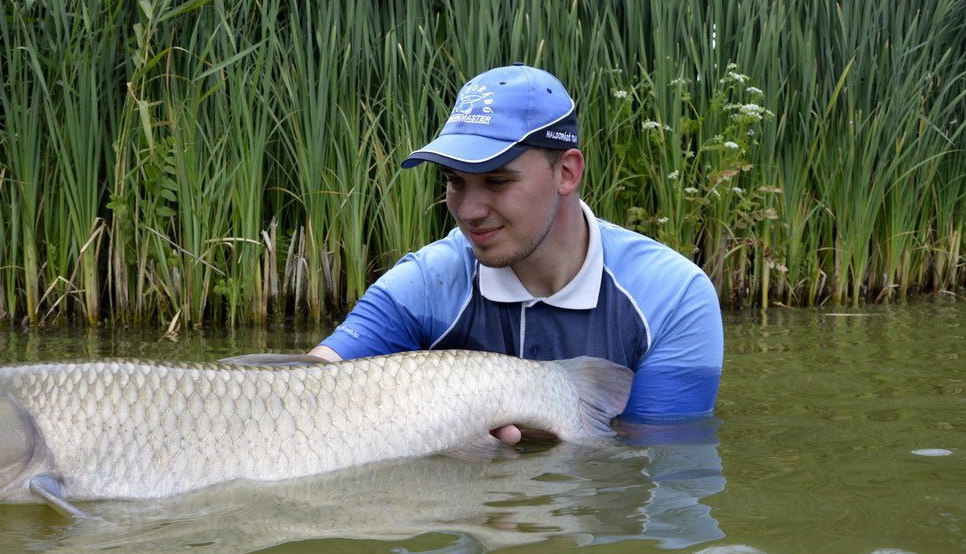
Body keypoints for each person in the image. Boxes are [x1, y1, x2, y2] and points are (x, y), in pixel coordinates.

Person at [308, 64, 723, 440]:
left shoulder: (674, 297)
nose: (468, 211)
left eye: (497, 181)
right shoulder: (425, 281)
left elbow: (662, 471)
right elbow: (307, 392)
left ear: (566, 172)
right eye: (455, 181)